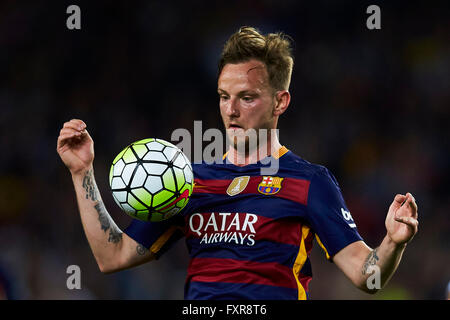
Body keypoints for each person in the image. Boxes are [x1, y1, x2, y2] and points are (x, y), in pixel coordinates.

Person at [56, 27, 419, 300]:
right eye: (224, 96)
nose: (230, 110)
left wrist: (392, 242)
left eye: (246, 98)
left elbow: (365, 275)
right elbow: (112, 255)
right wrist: (81, 173)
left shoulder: (310, 182)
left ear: (280, 102)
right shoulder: (186, 180)